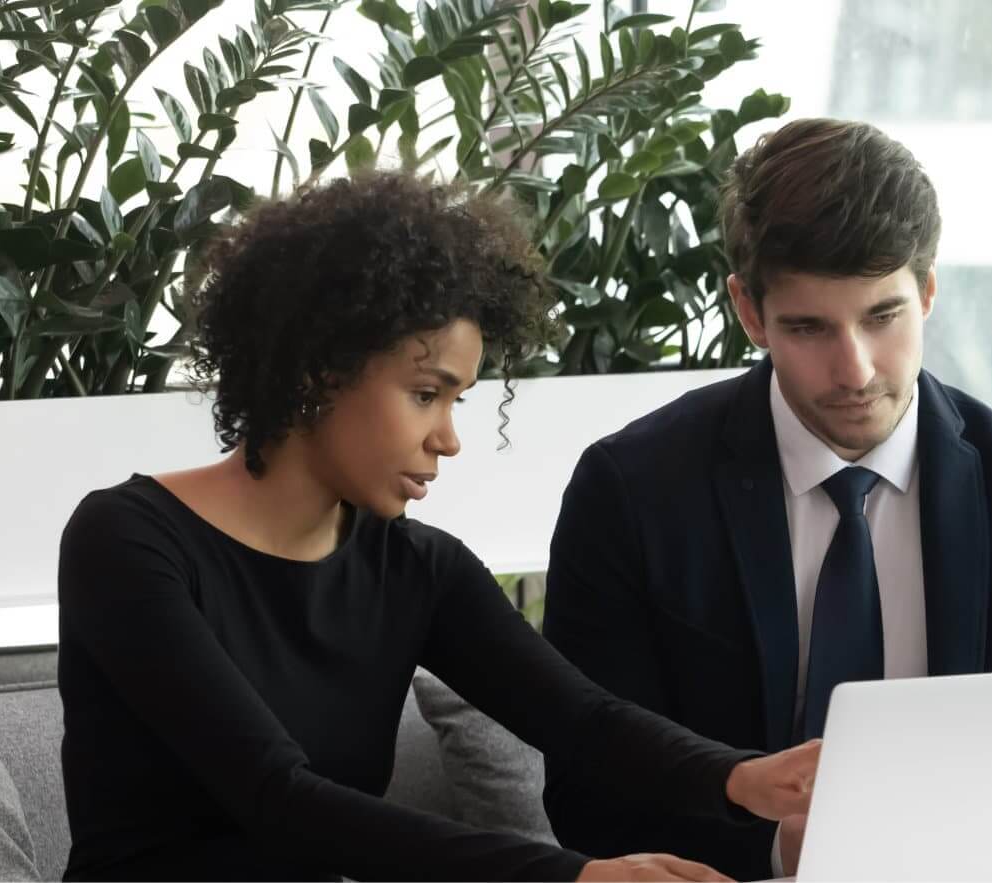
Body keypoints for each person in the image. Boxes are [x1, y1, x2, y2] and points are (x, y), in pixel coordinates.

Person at [55, 172, 819, 882]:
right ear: (317, 370)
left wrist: (740, 776)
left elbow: (583, 720)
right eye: (426, 393)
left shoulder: (419, 567)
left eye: (457, 401)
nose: (448, 436)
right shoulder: (127, 542)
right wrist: (573, 874)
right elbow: (277, 797)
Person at [541, 118, 992, 880]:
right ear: (749, 312)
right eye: (810, 327)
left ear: (929, 290)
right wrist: (781, 847)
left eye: (883, 316)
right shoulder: (633, 492)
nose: (853, 369)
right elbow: (587, 796)